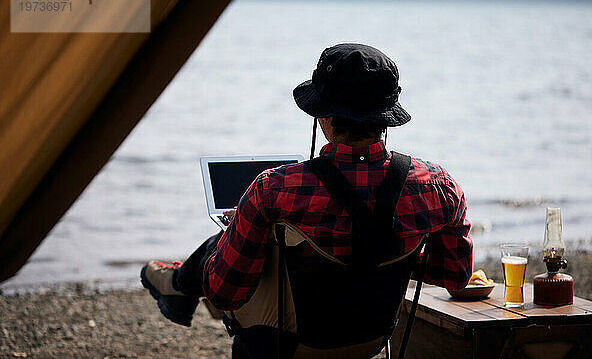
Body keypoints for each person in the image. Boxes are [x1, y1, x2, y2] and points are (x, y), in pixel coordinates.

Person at [141, 43, 473, 357]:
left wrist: (243, 232)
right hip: (371, 340)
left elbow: (223, 294)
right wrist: (386, 246)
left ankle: (178, 283)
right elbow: (454, 277)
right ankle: (179, 282)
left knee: (228, 243)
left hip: (284, 345)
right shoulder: (439, 187)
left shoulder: (273, 189)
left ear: (325, 117)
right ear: (384, 117)